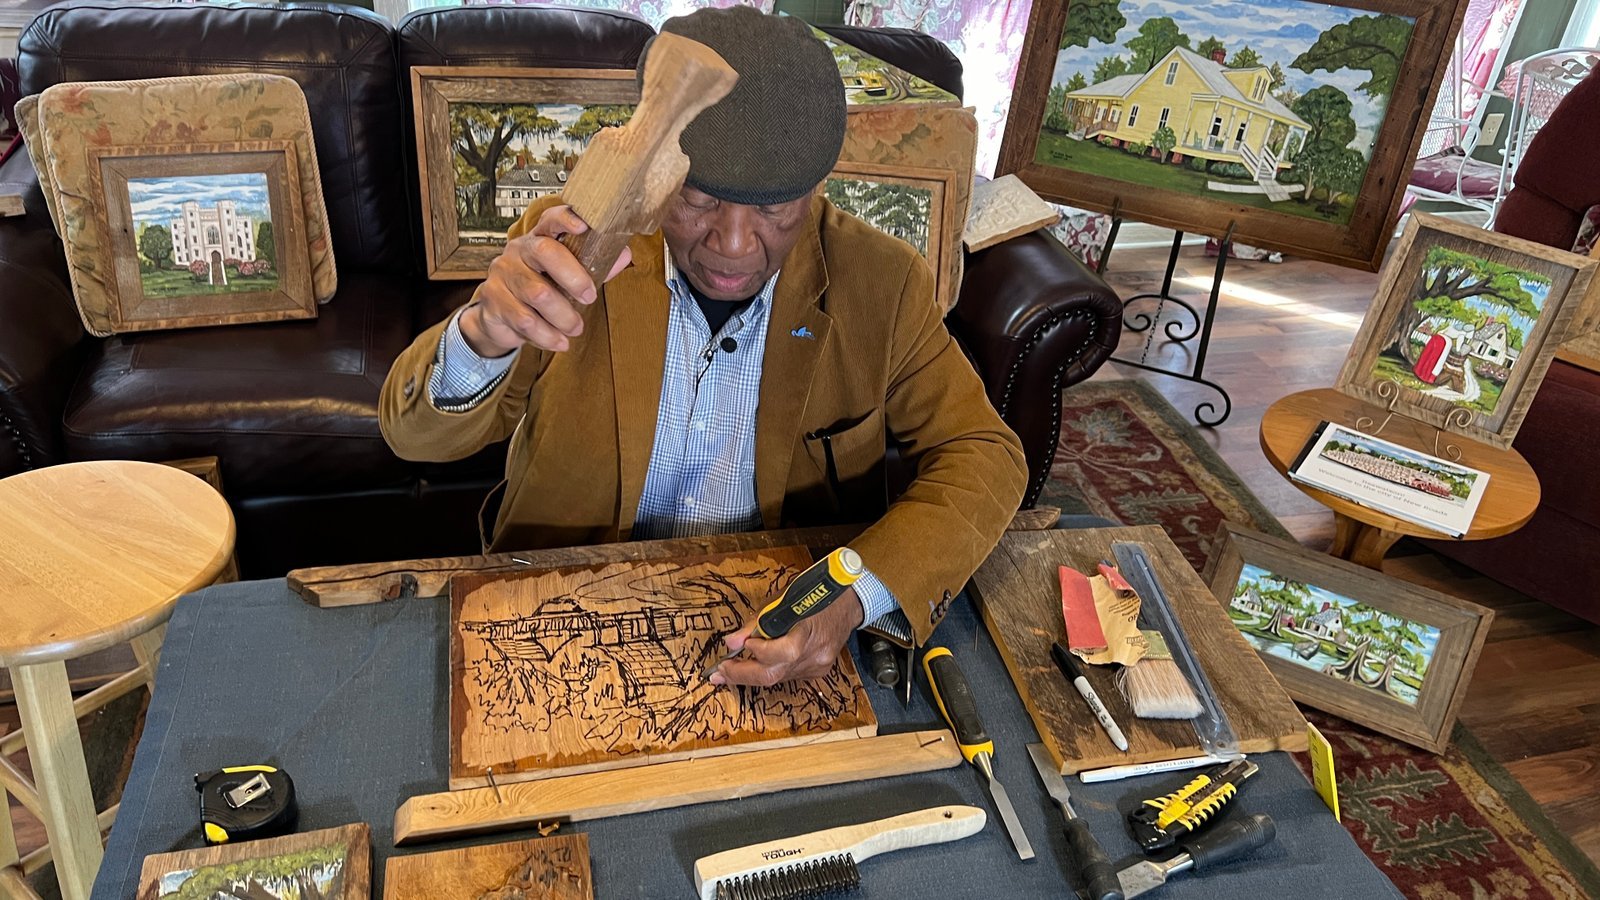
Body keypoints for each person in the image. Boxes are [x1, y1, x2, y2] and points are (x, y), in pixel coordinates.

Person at [379, 6, 1026, 687]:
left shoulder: (882, 282)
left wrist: (853, 599)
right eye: (697, 199)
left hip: (768, 621)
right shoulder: (579, 244)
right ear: (659, 173)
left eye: (775, 210)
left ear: (815, 192)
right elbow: (414, 439)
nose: (734, 245)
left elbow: (984, 452)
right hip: (568, 611)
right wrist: (484, 334)